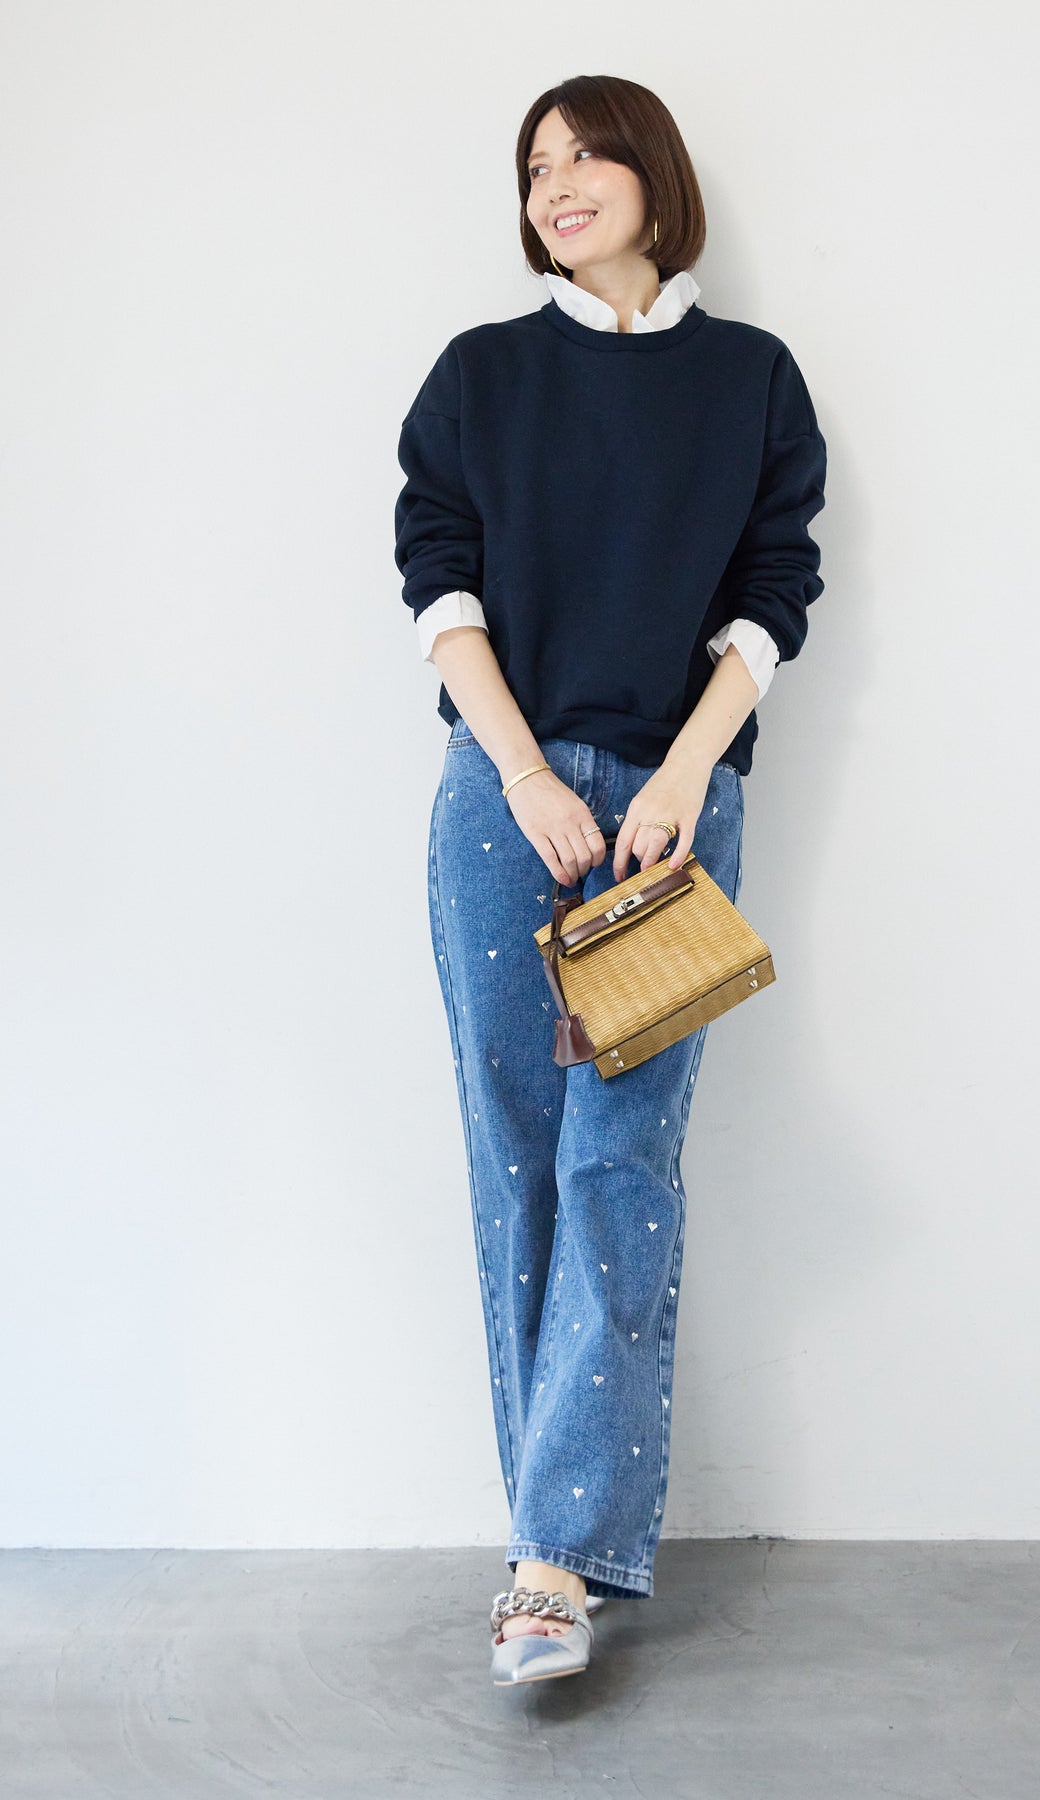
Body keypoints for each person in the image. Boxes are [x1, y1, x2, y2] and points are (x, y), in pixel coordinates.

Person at [393, 74, 827, 1686]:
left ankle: (547, 1561)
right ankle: (550, 1561)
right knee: (516, 1160)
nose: (558, 185)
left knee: (616, 1166)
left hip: (668, 817)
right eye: (534, 167)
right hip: (497, 805)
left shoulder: (749, 379)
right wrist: (521, 774)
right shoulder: (481, 374)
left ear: (653, 175)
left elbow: (774, 595)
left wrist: (684, 771)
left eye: (586, 155)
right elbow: (437, 587)